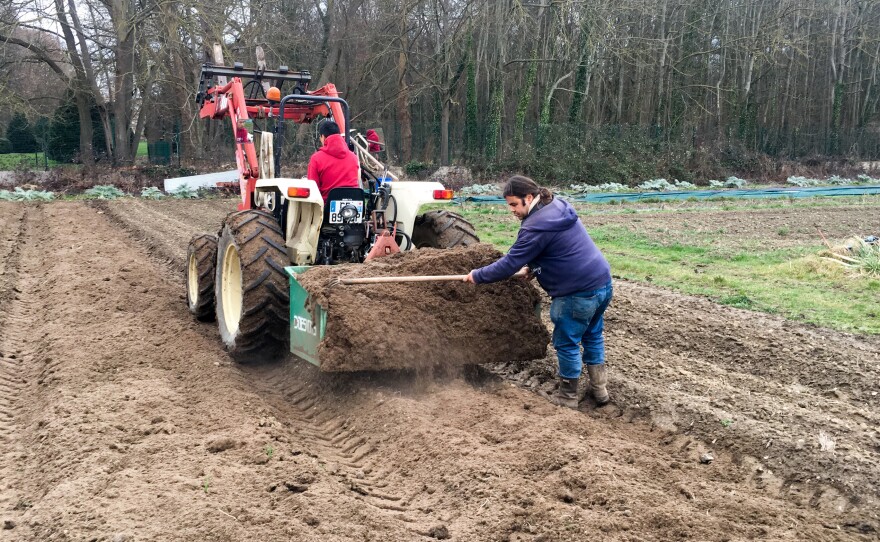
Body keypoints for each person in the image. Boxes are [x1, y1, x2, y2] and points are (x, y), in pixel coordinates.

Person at [464, 175, 613, 409]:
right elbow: (557, 249)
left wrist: (477, 275)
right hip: (602, 282)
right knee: (593, 335)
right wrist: (534, 267)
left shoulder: (535, 227)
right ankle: (600, 392)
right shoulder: (557, 206)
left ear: (529, 198)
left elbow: (508, 264)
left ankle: (567, 397)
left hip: (576, 293)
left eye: (514, 204)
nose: (511, 210)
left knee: (567, 342)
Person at [307, 120, 361, 203]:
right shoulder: (353, 157)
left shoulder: (316, 159)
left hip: (327, 209)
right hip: (353, 208)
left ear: (323, 137)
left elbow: (313, 188)